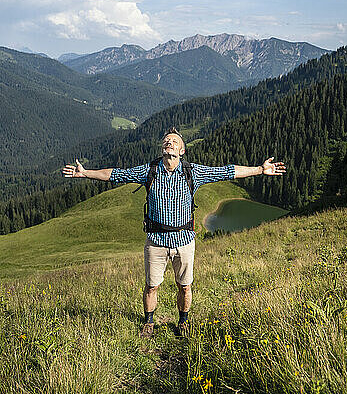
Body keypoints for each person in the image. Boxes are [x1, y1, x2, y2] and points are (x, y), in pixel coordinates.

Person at [62, 127, 286, 338]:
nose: (169, 143)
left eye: (174, 142)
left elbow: (227, 171)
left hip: (184, 242)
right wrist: (86, 173)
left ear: (182, 150)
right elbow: (116, 174)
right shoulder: (148, 171)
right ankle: (149, 322)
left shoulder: (193, 172)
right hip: (156, 241)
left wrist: (259, 169)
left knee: (185, 285)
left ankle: (183, 320)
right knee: (151, 286)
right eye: (166, 141)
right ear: (163, 149)